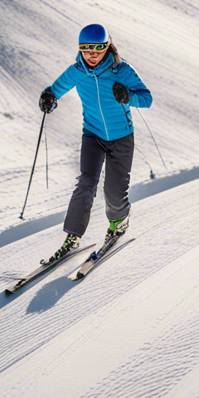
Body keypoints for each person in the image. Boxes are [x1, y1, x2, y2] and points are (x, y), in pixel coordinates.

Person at [38, 23, 152, 262]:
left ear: (107, 46)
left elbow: (147, 98)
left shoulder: (122, 70)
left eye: (97, 49)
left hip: (121, 137)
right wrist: (49, 98)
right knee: (86, 183)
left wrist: (129, 97)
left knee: (114, 190)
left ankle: (119, 223)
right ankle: (73, 236)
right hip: (92, 135)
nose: (91, 54)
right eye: (85, 49)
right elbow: (55, 90)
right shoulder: (77, 71)